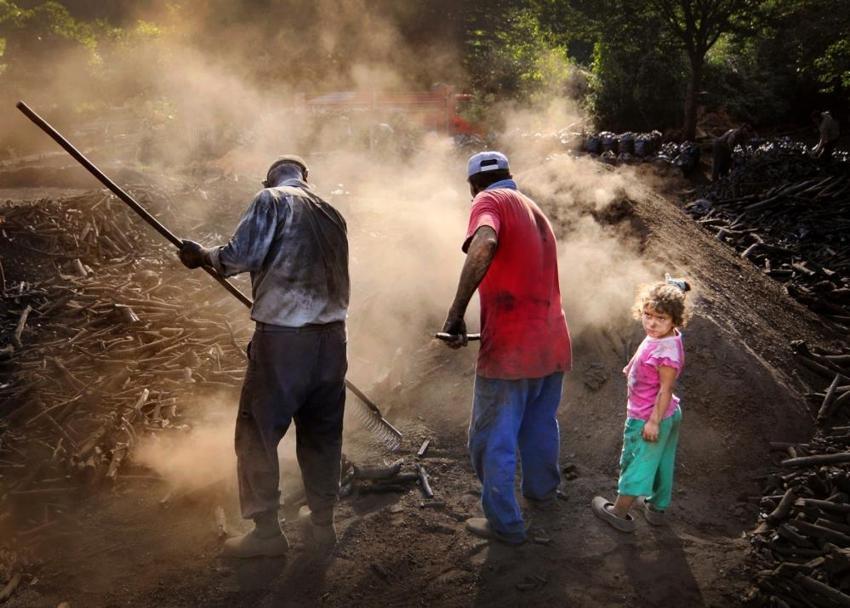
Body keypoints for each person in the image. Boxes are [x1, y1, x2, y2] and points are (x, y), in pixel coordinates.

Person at [178, 155, 349, 558]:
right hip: (333, 340)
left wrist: (202, 254)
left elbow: (237, 257)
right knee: (322, 432)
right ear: (307, 177)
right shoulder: (332, 212)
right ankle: (323, 524)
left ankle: (267, 534)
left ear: (270, 177)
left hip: (284, 341)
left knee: (256, 433)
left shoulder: (271, 199)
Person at [440, 151, 572, 545]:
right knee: (538, 425)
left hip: (511, 350)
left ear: (473, 185)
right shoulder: (534, 209)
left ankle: (506, 525)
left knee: (491, 438)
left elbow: (484, 243)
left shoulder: (489, 201)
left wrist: (455, 315)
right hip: (551, 343)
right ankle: (542, 493)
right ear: (509, 175)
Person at [591, 276, 691, 532]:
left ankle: (619, 512)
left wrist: (653, 422)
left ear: (675, 320)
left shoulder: (666, 354)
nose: (652, 323)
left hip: (651, 417)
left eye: (661, 318)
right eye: (648, 315)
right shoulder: (665, 337)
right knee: (662, 463)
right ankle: (657, 509)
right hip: (668, 413)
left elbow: (666, 389)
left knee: (638, 462)